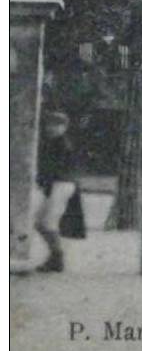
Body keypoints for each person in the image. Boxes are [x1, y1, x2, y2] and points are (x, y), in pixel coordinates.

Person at [34, 110, 79, 273]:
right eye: (49, 124)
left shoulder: (63, 145)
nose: (51, 128)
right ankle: (56, 256)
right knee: (40, 223)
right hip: (56, 184)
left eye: (57, 125)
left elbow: (54, 168)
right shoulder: (51, 143)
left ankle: (57, 257)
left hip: (62, 184)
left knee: (46, 223)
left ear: (64, 127)